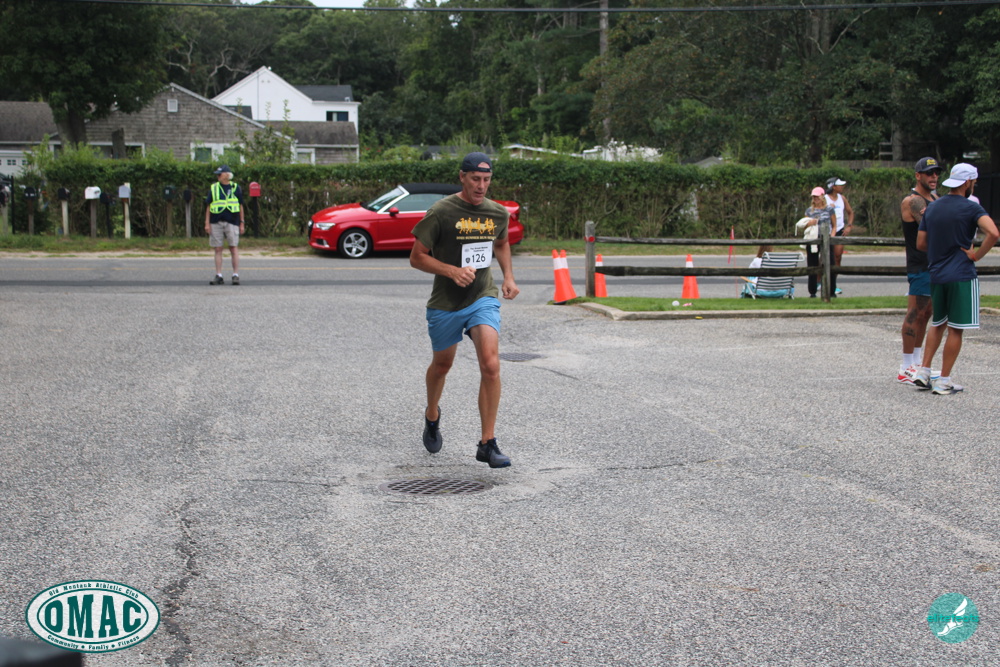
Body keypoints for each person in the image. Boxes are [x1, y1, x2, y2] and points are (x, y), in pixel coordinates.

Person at [410, 152, 520, 468]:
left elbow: (501, 243)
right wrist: (452, 271)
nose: (481, 186)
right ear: (462, 177)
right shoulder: (441, 212)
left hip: (481, 296)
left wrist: (508, 277)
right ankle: (432, 414)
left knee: (491, 364)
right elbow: (417, 257)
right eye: (475, 179)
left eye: (486, 180)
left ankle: (488, 443)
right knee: (442, 365)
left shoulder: (497, 213)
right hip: (445, 302)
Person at [911, 163, 999, 394]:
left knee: (937, 323)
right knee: (956, 328)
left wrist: (940, 248)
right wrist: (976, 255)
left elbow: (921, 243)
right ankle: (944, 380)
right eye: (974, 182)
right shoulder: (971, 208)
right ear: (967, 182)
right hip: (961, 274)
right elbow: (993, 233)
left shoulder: (933, 207)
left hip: (937, 273)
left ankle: (924, 371)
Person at [897, 157, 941, 384]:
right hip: (920, 264)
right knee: (915, 313)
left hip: (934, 263)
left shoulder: (935, 199)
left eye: (936, 172)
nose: (934, 177)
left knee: (926, 313)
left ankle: (916, 362)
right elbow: (934, 226)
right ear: (918, 176)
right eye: (929, 173)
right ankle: (905, 366)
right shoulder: (913, 201)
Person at [204, 165, 245, 285]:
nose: (218, 176)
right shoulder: (214, 188)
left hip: (232, 221)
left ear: (227, 175)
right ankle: (219, 275)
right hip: (216, 221)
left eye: (220, 173)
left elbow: (240, 206)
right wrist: (207, 223)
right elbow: (209, 206)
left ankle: (235, 275)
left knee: (233, 247)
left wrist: (242, 222)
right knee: (218, 248)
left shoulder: (236, 188)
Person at [800, 186, 838, 298]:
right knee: (812, 264)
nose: (815, 199)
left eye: (817, 196)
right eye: (814, 197)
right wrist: (810, 223)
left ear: (822, 196)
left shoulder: (829, 209)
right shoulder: (809, 211)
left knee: (830, 263)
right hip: (813, 238)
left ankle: (831, 290)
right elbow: (803, 225)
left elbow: (834, 225)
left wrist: (832, 237)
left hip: (826, 238)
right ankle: (812, 291)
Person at [825, 177, 854, 294]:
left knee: (837, 257)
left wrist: (849, 226)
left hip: (839, 230)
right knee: (825, 258)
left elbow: (850, 212)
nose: (842, 187)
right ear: (833, 187)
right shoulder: (824, 198)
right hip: (826, 231)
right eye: (839, 185)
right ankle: (820, 282)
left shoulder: (842, 198)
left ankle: (833, 284)